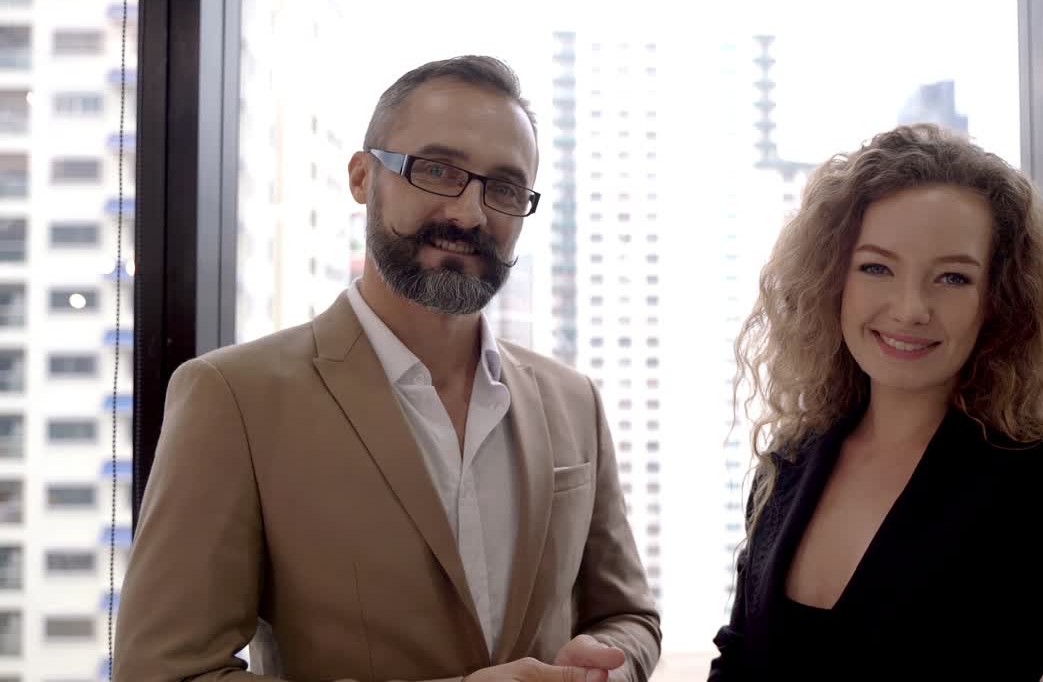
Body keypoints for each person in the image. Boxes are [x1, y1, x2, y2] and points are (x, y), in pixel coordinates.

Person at [115, 56, 661, 682]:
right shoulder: (232, 398)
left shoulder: (574, 401)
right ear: (361, 176)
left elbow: (629, 617)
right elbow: (165, 672)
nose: (469, 214)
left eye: (504, 188)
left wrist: (605, 669)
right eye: (436, 171)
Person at [709, 124, 1043, 680]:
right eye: (876, 267)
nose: (910, 308)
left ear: (999, 300)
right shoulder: (789, 464)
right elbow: (739, 664)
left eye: (952, 277)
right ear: (833, 280)